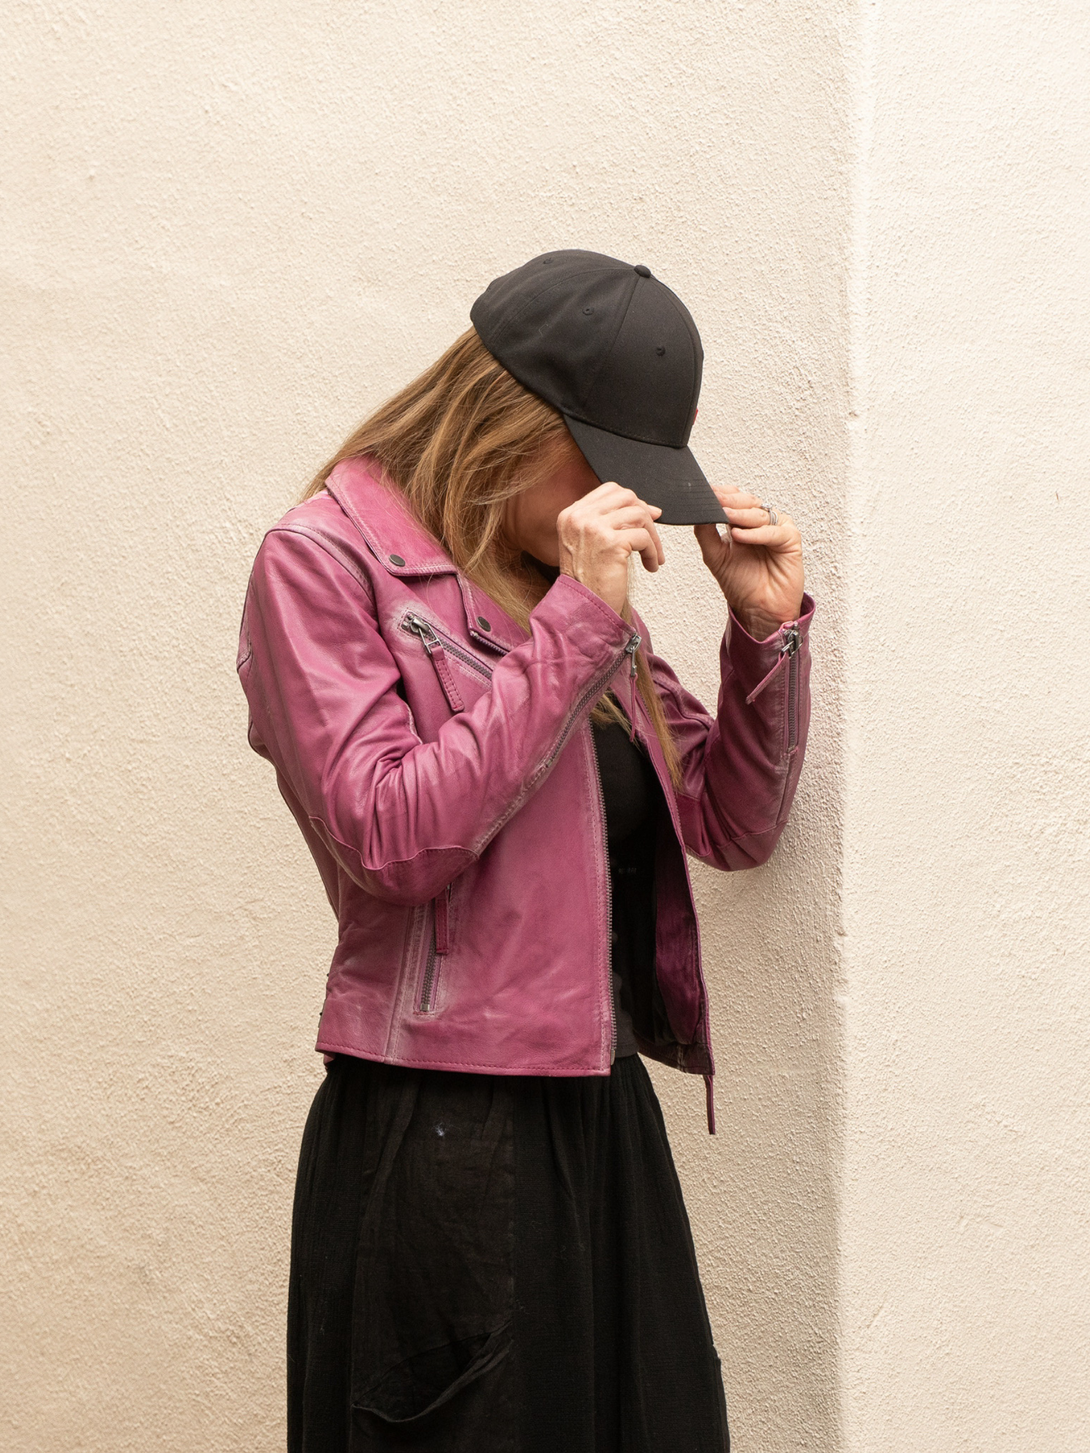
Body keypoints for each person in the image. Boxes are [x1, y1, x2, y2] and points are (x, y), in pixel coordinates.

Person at [237, 250, 813, 1453]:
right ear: (506, 423)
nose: (629, 504)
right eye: (606, 466)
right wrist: (577, 627)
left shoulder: (555, 590)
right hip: (438, 1133)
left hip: (599, 1117)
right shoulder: (321, 562)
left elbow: (728, 820)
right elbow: (391, 837)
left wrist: (764, 638)